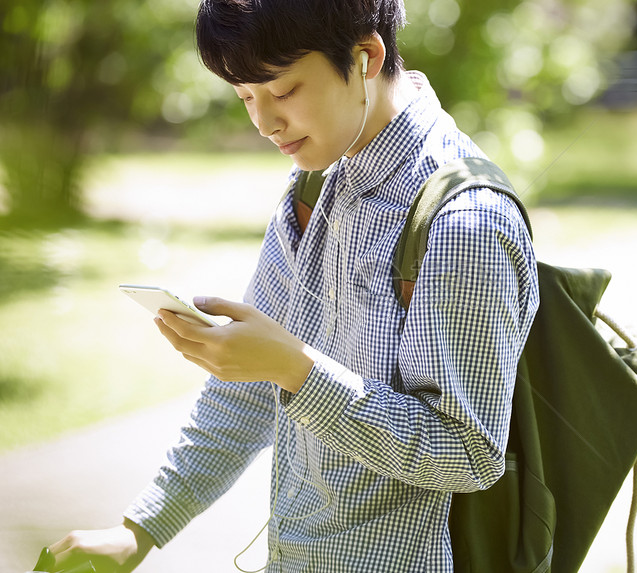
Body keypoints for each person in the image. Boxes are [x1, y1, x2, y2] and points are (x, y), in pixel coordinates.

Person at [47, 0, 539, 571]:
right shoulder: (316, 183)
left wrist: (297, 373)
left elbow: (468, 453)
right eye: (246, 97)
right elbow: (250, 386)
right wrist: (143, 528)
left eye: (282, 92)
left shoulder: (464, 223)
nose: (264, 123)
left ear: (367, 56)